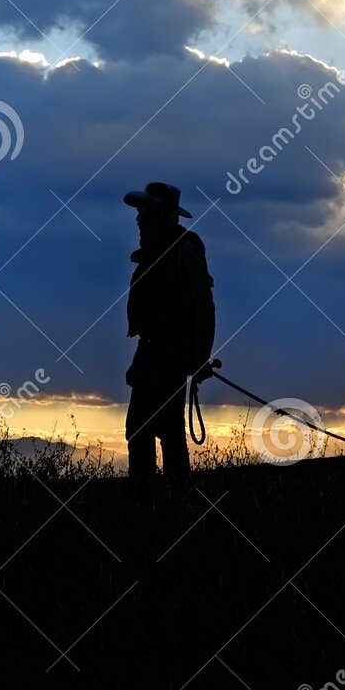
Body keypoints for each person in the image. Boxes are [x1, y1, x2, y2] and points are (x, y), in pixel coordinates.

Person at [123, 182, 215, 496]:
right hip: (152, 354)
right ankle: (162, 499)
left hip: (168, 357)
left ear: (160, 216)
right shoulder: (159, 251)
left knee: (153, 432)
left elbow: (202, 307)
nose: (138, 220)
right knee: (150, 431)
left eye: (144, 214)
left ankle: (157, 501)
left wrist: (199, 356)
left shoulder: (183, 251)